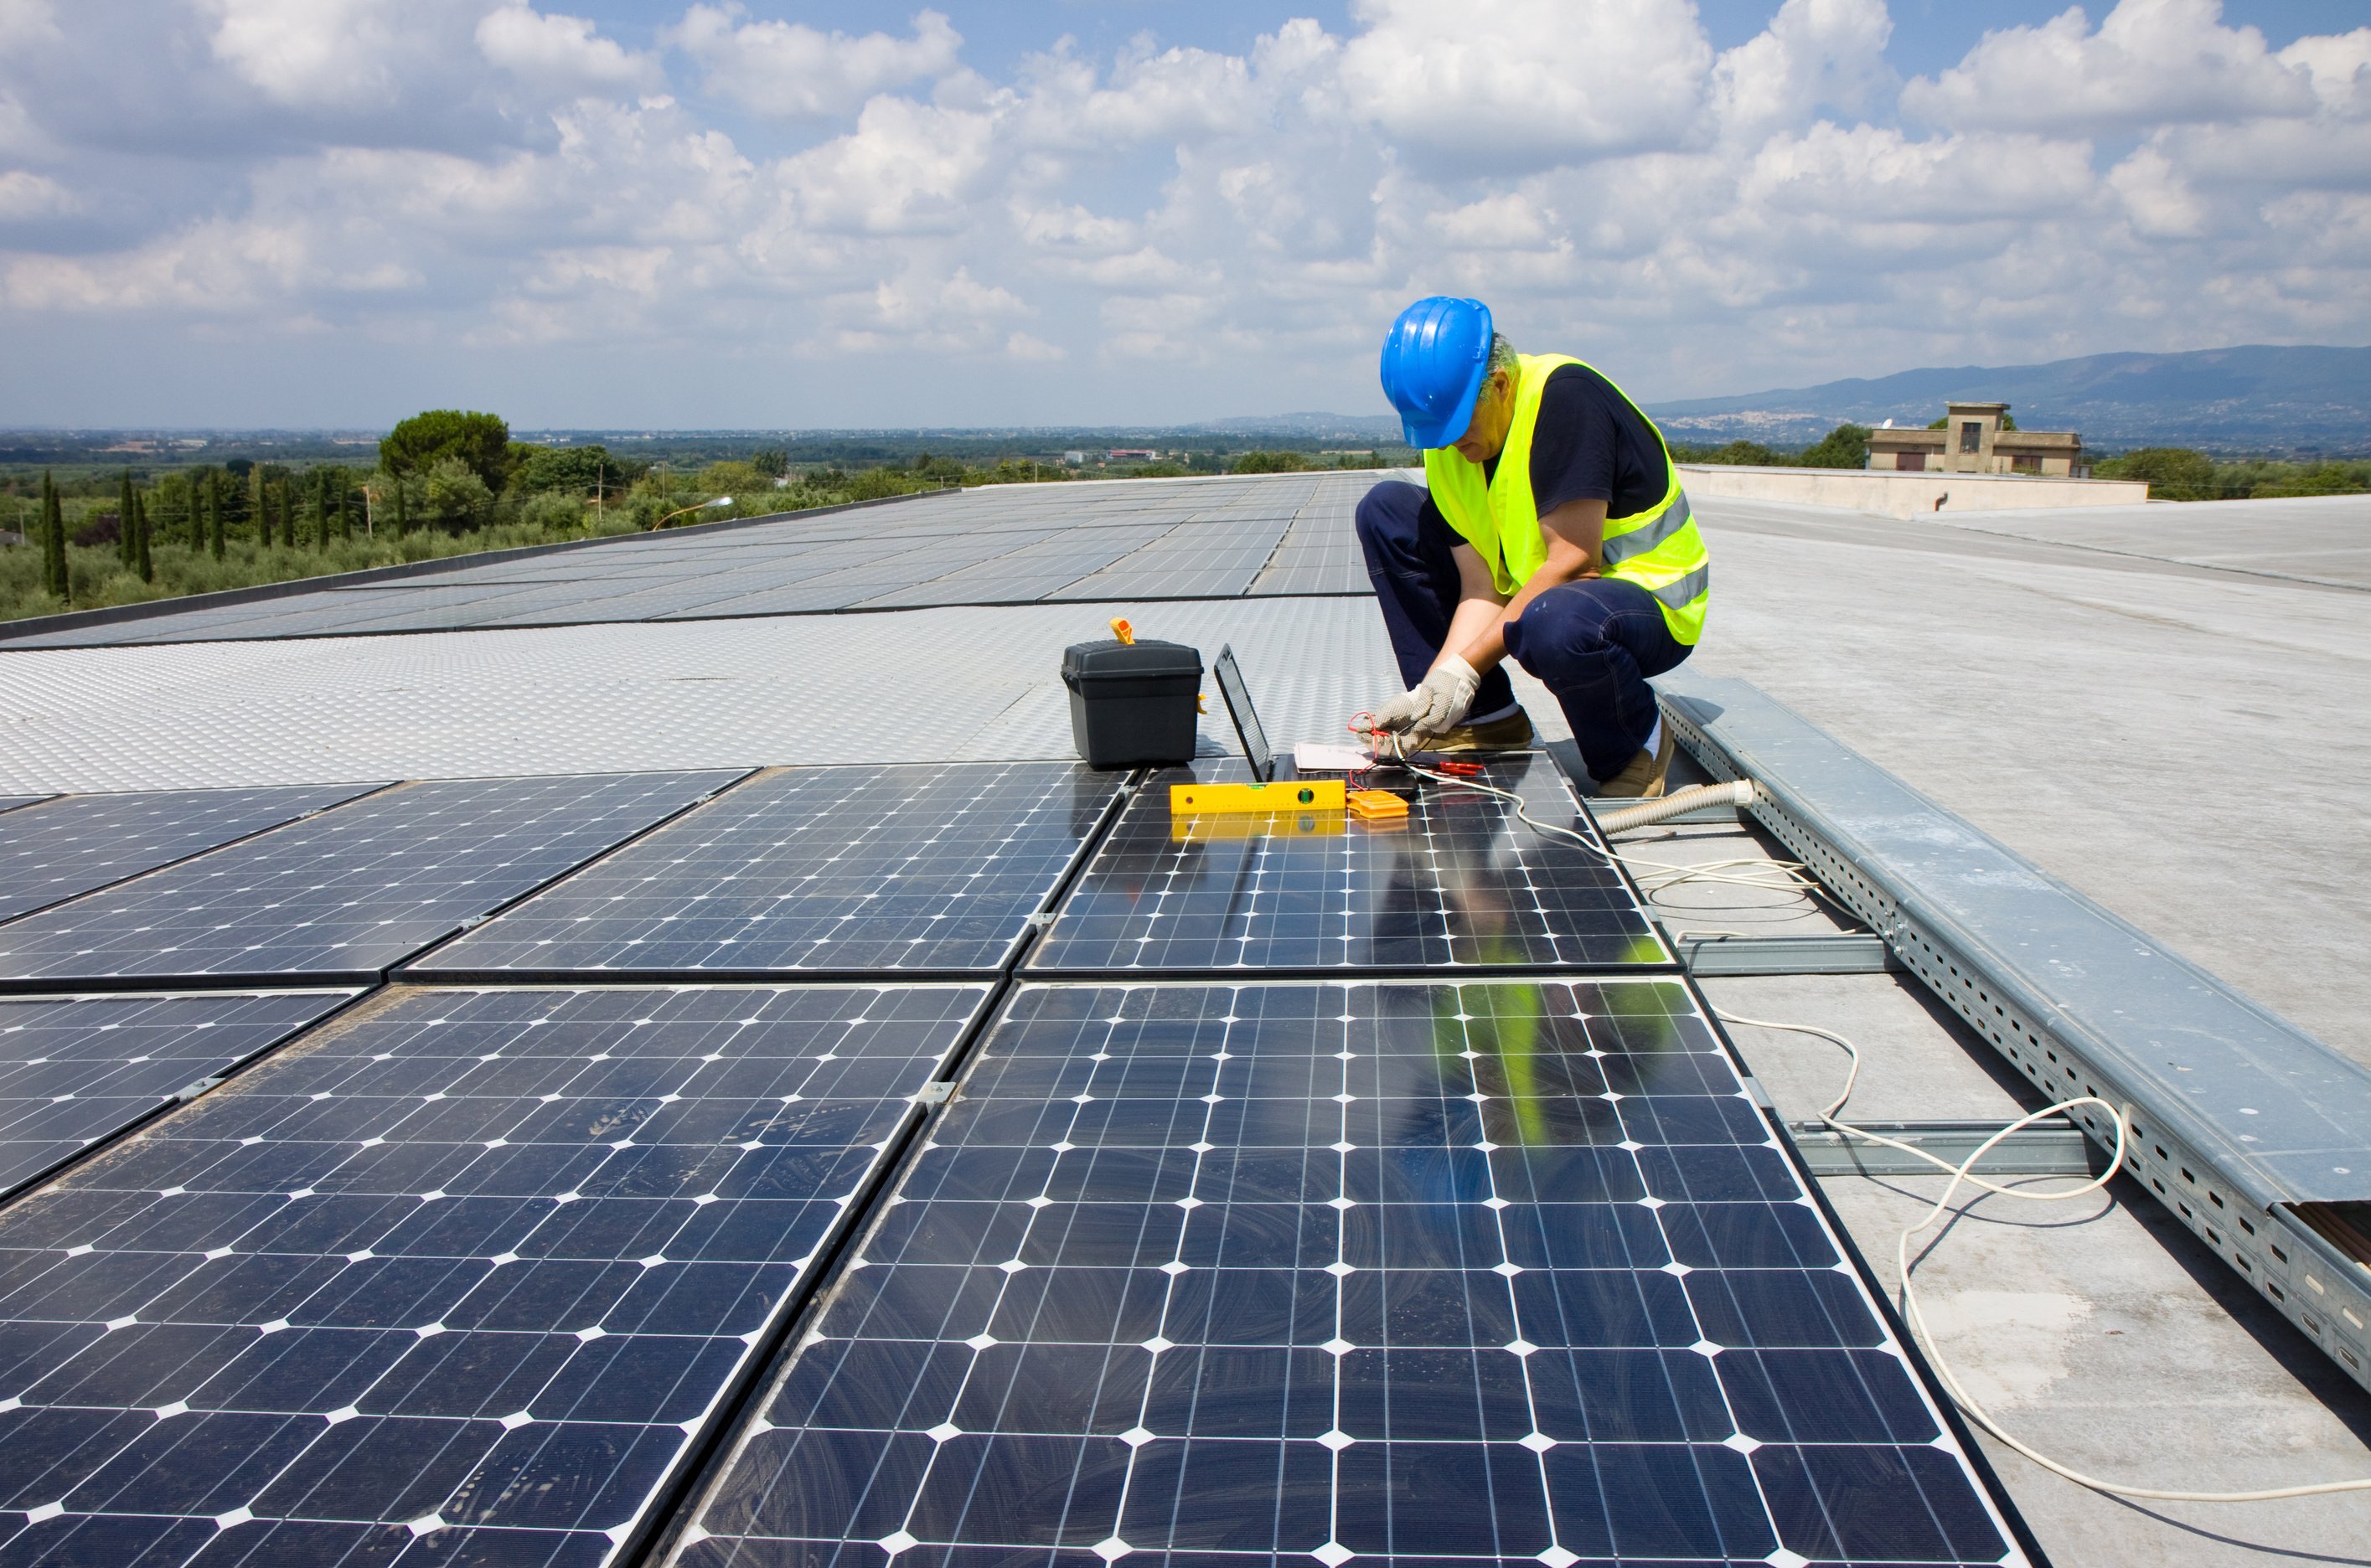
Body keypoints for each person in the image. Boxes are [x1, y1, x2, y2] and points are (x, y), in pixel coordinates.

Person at [1356, 297, 1710, 798]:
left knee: (1554, 620)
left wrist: (1463, 669)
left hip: (1643, 606)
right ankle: (1483, 720)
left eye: (1457, 428)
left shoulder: (1565, 400)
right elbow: (1482, 588)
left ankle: (1635, 745)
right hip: (1549, 598)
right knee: (1387, 509)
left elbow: (1572, 563)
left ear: (1499, 385)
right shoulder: (1451, 446)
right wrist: (1435, 691)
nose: (1449, 444)